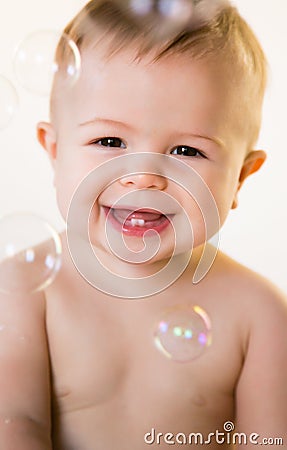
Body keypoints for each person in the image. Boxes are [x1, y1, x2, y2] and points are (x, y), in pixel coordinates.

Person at [0, 0, 286, 448]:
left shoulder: (259, 312)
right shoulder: (22, 290)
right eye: (109, 141)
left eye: (187, 151)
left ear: (241, 177)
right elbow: (15, 425)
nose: (144, 176)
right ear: (54, 152)